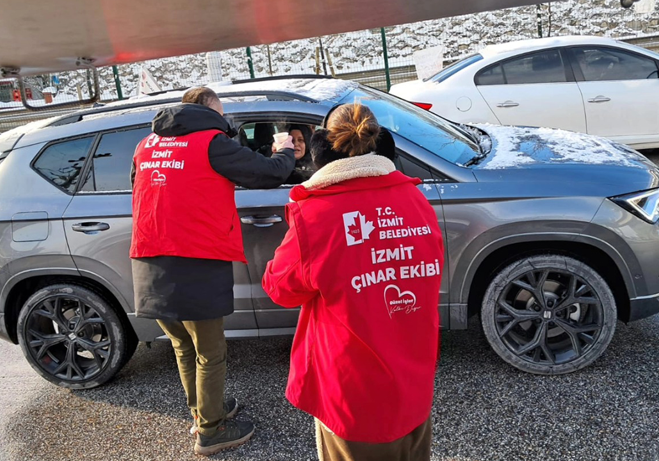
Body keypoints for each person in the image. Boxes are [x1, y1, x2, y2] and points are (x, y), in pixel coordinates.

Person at [262, 104, 444, 461]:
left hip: (353, 396)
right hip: (413, 383)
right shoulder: (415, 198)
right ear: (380, 144)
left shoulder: (317, 214)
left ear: (324, 148)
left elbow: (280, 288)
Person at [130, 87, 295, 456]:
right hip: (195, 260)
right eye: (220, 115)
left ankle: (205, 412)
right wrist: (286, 149)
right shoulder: (211, 142)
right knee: (210, 352)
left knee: (182, 345)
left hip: (148, 261)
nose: (224, 123)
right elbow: (269, 174)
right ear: (206, 112)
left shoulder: (146, 146)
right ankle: (211, 430)